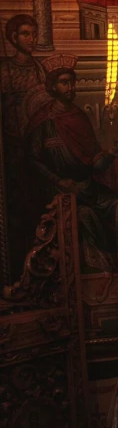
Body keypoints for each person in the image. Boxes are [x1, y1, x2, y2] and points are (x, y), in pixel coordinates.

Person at [25, 54, 118, 271]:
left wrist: (112, 150)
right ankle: (97, 266)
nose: (70, 87)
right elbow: (33, 160)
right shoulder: (43, 122)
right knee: (84, 215)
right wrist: (57, 180)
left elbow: (94, 162)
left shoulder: (79, 117)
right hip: (58, 189)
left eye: (71, 82)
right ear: (53, 86)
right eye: (64, 83)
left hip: (86, 187)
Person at [0, 14, 46, 276]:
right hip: (13, 147)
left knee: (37, 205)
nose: (32, 39)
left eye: (34, 33)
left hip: (35, 144)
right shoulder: (5, 68)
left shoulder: (39, 68)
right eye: (26, 34)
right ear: (14, 38)